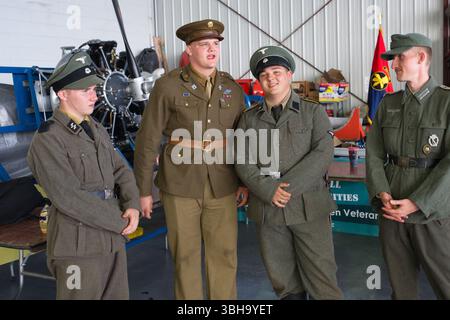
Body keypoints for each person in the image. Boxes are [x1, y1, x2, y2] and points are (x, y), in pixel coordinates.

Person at [134, 19, 248, 300]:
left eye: (215, 44)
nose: (212, 50)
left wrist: (245, 182)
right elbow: (148, 139)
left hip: (223, 183)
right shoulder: (167, 86)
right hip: (180, 185)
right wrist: (144, 191)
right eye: (204, 44)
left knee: (224, 254)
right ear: (189, 49)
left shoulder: (231, 88)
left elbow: (243, 139)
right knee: (185, 255)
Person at [27, 50, 141, 300]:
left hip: (112, 240)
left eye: (94, 89)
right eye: (85, 91)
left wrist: (132, 205)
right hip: (78, 247)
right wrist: (120, 222)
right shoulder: (48, 139)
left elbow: (120, 170)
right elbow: (68, 197)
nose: (94, 96)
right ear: (62, 94)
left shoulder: (94, 128)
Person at [235, 46, 343, 300]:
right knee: (283, 283)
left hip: (308, 207)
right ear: (259, 81)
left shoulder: (313, 111)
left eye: (277, 71)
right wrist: (267, 189)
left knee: (322, 280)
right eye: (264, 75)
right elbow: (242, 159)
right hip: (268, 209)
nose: (271, 78)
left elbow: (322, 153)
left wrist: (285, 188)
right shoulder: (249, 119)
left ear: (290, 74)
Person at [366, 33, 450, 299]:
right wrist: (382, 194)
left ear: (421, 57)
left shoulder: (446, 102)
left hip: (434, 214)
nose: (393, 65)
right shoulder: (388, 104)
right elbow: (374, 152)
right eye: (393, 58)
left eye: (400, 56)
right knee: (401, 289)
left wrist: (419, 202)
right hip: (392, 214)